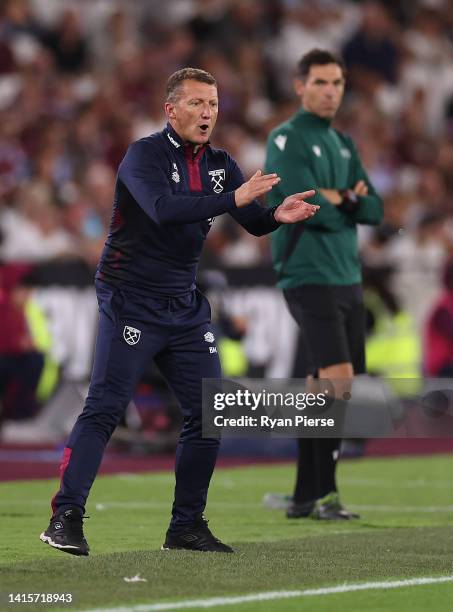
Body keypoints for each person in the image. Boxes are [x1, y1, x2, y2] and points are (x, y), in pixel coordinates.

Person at [39, 67, 318, 555]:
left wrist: (276, 215)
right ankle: (65, 517)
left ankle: (185, 527)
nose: (207, 112)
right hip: (129, 300)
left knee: (210, 413)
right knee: (105, 408)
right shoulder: (143, 155)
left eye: (212, 104)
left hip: (183, 306)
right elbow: (164, 209)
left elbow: (249, 219)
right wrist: (235, 197)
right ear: (171, 110)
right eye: (196, 103)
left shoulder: (220, 163)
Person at [264, 49, 383, 520]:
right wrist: (344, 199)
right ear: (299, 85)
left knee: (321, 386)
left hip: (347, 276)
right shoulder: (286, 138)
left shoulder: (344, 143)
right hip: (306, 273)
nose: (330, 90)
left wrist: (347, 200)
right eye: (320, 82)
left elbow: (375, 210)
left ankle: (303, 495)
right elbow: (311, 206)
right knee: (339, 380)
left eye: (336, 82)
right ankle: (327, 495)